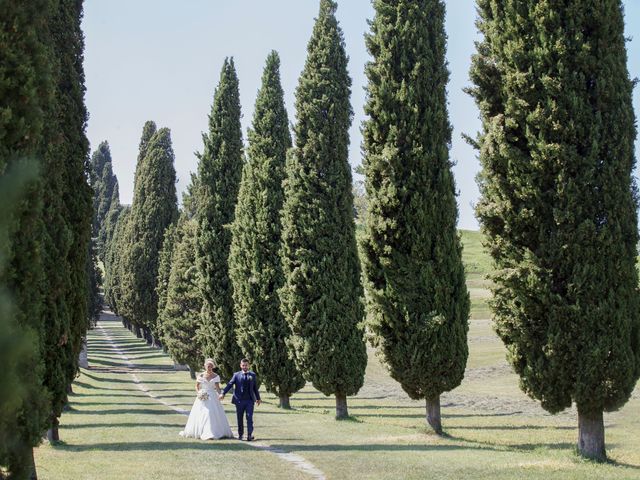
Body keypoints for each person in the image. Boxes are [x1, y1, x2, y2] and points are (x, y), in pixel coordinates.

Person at [179, 358, 233, 440]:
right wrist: (199, 393)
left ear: (213, 367)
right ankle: (201, 431)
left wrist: (221, 394)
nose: (209, 368)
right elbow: (197, 386)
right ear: (205, 366)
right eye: (208, 366)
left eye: (211, 366)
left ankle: (212, 432)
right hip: (202, 397)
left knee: (211, 413)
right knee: (202, 413)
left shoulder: (216, 376)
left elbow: (217, 388)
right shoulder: (200, 376)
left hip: (212, 397)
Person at [219, 358, 261, 441]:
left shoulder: (252, 375)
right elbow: (230, 384)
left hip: (249, 400)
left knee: (249, 417)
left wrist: (258, 398)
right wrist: (223, 393)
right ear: (240, 365)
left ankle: (249, 435)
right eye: (243, 365)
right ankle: (240, 435)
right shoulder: (236, 375)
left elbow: (255, 388)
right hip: (239, 400)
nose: (244, 367)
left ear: (248, 365)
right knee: (239, 418)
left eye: (246, 365)